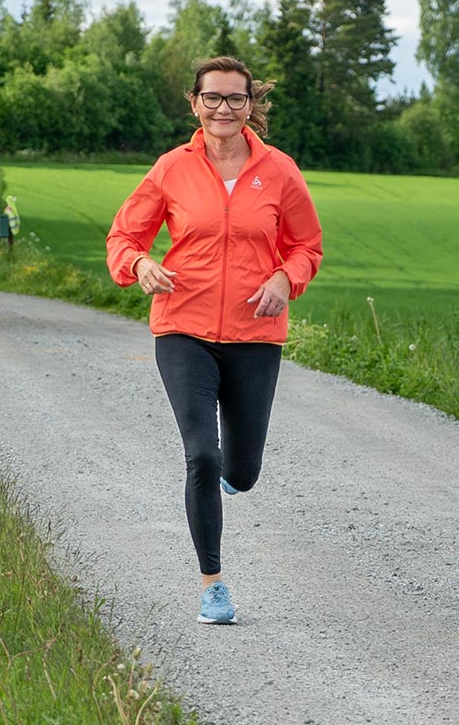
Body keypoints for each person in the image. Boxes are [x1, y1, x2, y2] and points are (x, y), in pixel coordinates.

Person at [106, 56, 322, 624]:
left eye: (235, 99)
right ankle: (213, 584)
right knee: (201, 454)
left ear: (251, 105)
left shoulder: (279, 171)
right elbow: (124, 235)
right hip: (183, 327)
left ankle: (231, 476)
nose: (223, 109)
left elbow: (307, 247)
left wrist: (285, 277)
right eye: (213, 98)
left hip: (256, 332)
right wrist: (138, 263)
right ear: (195, 103)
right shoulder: (171, 169)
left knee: (242, 471)